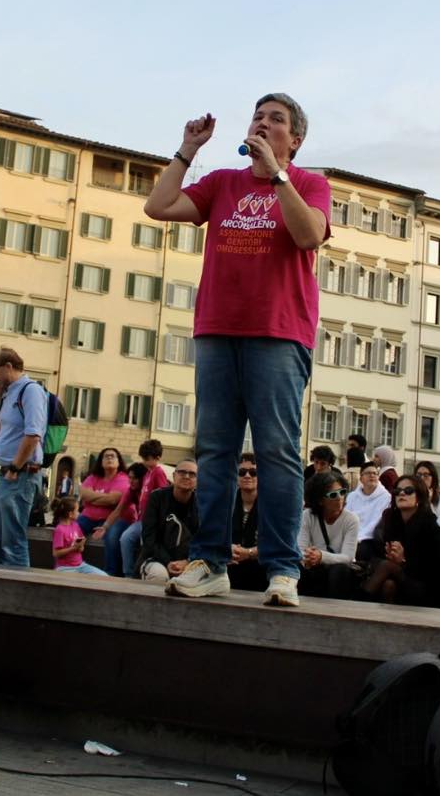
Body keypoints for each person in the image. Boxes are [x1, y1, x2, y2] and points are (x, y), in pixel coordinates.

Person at [143, 93, 331, 608]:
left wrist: (277, 175)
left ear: (295, 140)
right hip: (218, 329)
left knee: (276, 451)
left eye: (277, 120)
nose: (263, 124)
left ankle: (282, 569)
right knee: (215, 452)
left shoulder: (310, 183)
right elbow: (158, 206)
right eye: (258, 117)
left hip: (278, 331)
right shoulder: (223, 182)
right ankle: (210, 563)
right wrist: (186, 149)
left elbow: (308, 235)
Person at [0, 347, 45, 568]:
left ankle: (19, 591)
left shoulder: (30, 391)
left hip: (20, 474)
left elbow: (33, 434)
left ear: (8, 367)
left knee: (12, 541)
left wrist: (15, 467)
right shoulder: (9, 392)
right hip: (10, 473)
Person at [361, 475, 440, 608]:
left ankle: (357, 604)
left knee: (387, 566)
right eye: (397, 491)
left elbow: (435, 569)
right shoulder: (392, 521)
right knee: (388, 585)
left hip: (429, 587)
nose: (401, 493)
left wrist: (403, 561)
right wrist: (392, 557)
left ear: (419, 496)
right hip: (402, 582)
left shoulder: (430, 525)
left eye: (408, 491)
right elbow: (379, 554)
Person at [298, 471, 360, 600]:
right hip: (313, 568)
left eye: (342, 492)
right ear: (320, 500)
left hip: (338, 571)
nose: (339, 498)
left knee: (339, 570)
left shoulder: (351, 519)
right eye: (333, 495)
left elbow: (348, 557)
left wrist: (321, 556)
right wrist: (309, 557)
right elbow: (301, 549)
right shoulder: (307, 516)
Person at [137, 459, 200, 583]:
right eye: (182, 472)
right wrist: (168, 562)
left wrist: (188, 562)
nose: (187, 476)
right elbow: (149, 537)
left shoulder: (202, 504)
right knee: (159, 575)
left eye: (192, 474)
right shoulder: (157, 498)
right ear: (174, 476)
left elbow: (203, 540)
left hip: (190, 561)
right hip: (156, 558)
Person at [115, 439, 170, 579]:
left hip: (150, 521)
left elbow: (163, 496)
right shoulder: (147, 474)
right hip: (142, 520)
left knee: (131, 540)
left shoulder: (158, 472)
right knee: (129, 540)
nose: (144, 461)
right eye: (143, 458)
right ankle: (130, 573)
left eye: (147, 458)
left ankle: (133, 574)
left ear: (157, 458)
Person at [227, 454, 265, 591]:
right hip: (230, 561)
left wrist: (249, 552)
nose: (247, 476)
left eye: (253, 472)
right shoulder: (227, 502)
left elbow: (276, 543)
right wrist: (227, 549)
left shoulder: (270, 504)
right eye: (242, 472)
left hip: (260, 566)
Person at [51, 498, 108, 576]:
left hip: (80, 565)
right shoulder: (59, 530)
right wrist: (73, 548)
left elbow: (81, 548)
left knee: (105, 576)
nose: (79, 513)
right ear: (70, 514)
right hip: (64, 568)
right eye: (77, 511)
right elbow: (56, 553)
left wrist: (80, 546)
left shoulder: (75, 525)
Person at [345, 462, 390, 543]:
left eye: (375, 473)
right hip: (349, 536)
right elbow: (346, 518)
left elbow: (376, 522)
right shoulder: (352, 496)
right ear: (361, 478)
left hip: (370, 540)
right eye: (368, 473)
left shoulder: (386, 497)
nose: (372, 475)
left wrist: (359, 537)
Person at [415, 460, 440, 532]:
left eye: (426, 475)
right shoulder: (411, 495)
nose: (421, 478)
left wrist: (428, 502)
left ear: (433, 478)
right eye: (418, 475)